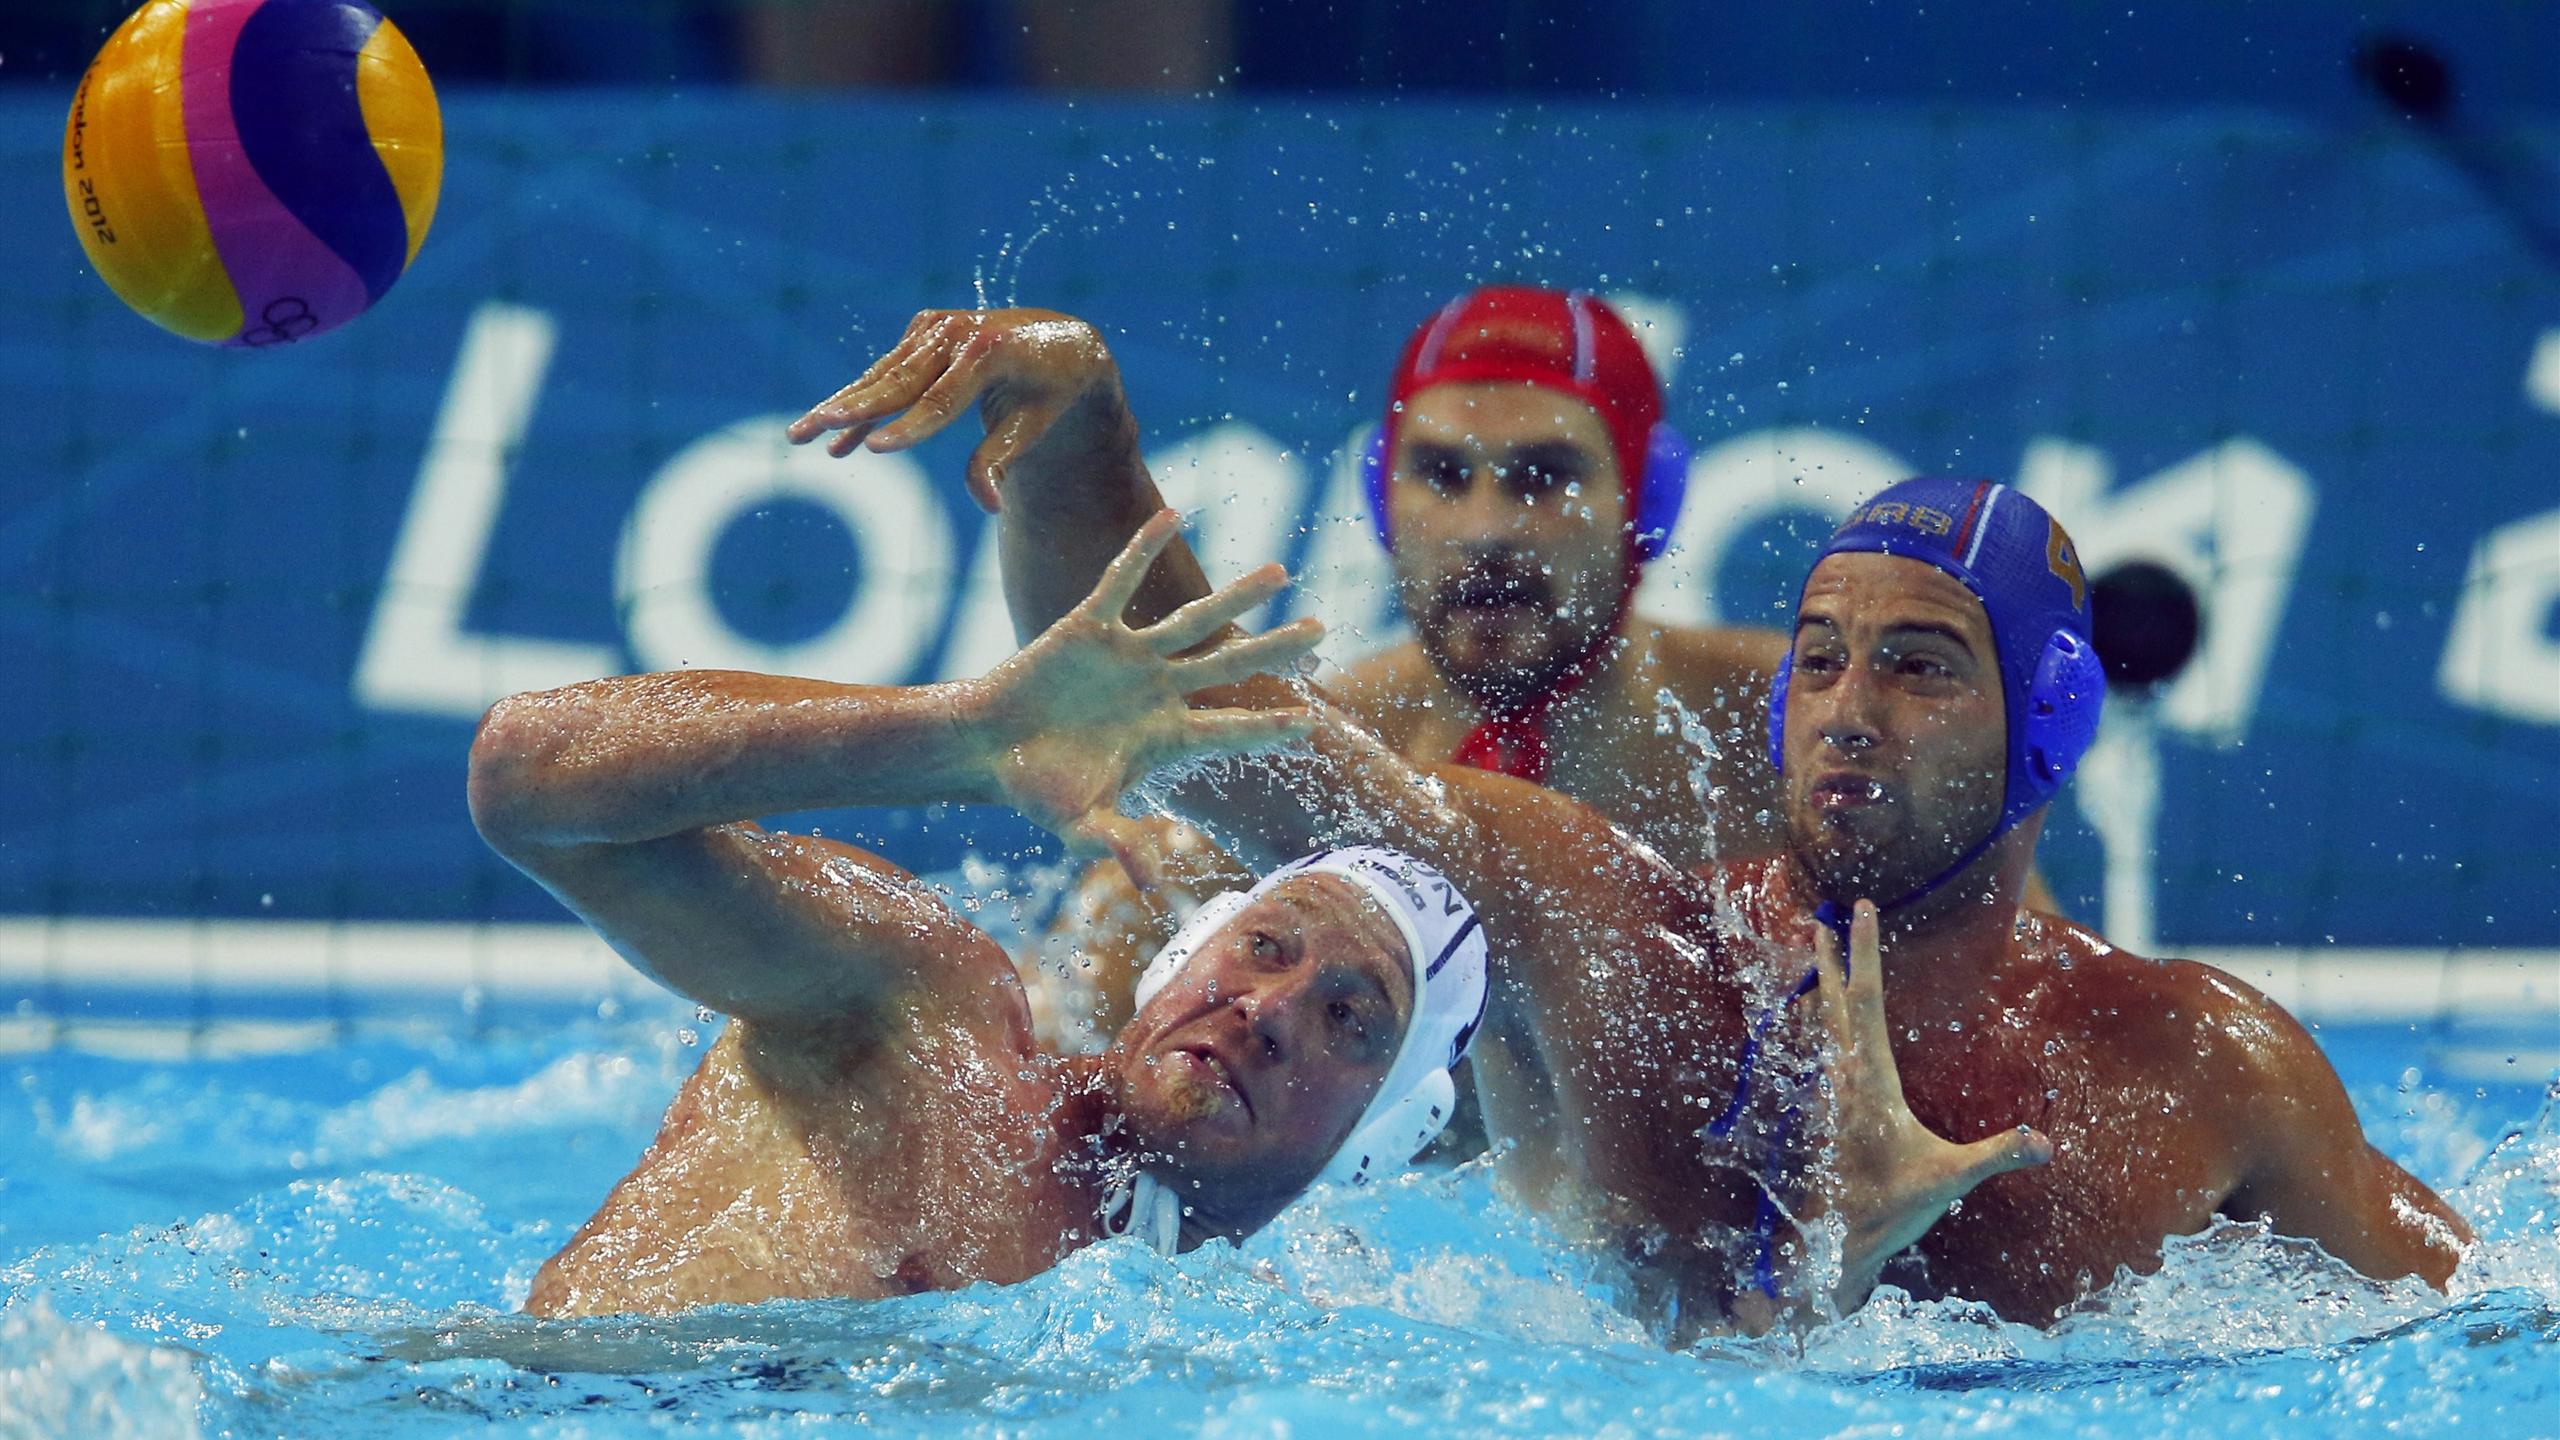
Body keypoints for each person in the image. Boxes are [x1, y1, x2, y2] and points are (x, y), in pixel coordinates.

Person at [790, 310, 2472, 1326]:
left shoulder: (2192, 1065)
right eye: (1820, 659)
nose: (1849, 710)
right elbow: (1203, 729)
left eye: (1918, 668)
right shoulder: (1633, 937)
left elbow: (2489, 1325)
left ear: (2049, 726)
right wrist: (1083, 425)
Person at [470, 521, 1492, 1315]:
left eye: (1348, 1019)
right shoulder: (921, 1013)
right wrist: (965, 734)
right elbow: (529, 779)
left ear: (1385, 1133)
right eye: (1264, 947)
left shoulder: (1236, 1347)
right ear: (1182, 951)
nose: (1268, 1010)